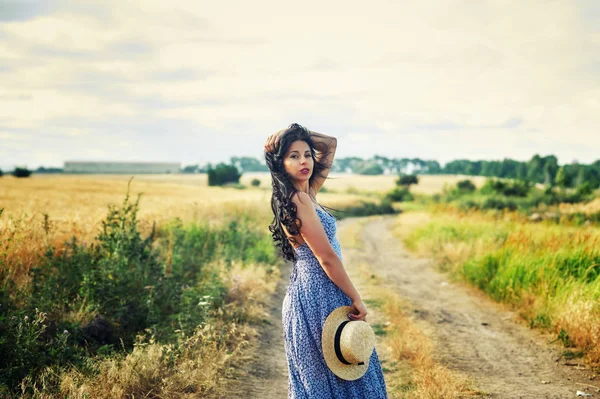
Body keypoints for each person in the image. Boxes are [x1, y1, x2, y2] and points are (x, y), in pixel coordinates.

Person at [264, 123, 388, 398]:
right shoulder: (298, 201)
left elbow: (330, 143)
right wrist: (357, 297)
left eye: (307, 154)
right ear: (281, 164)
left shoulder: (307, 193)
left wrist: (288, 133)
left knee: (340, 374)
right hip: (314, 297)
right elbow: (327, 258)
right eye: (293, 156)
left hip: (322, 293)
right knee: (329, 380)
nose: (304, 161)